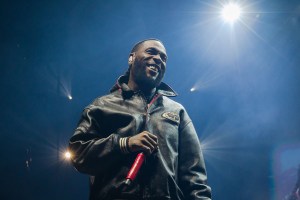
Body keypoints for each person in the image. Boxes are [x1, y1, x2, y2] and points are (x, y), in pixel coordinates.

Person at [69, 38, 212, 200]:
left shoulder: (177, 111)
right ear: (131, 58)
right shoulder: (102, 105)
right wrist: (125, 144)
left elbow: (195, 177)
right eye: (151, 52)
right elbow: (78, 153)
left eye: (163, 58)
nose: (158, 59)